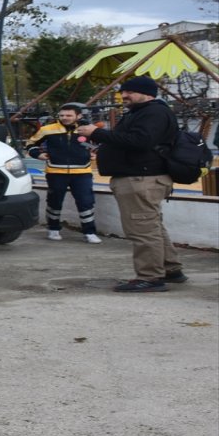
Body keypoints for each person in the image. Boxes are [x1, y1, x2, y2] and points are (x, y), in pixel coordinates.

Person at [76, 76, 186, 292]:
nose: (124, 96)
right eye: (123, 92)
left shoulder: (153, 112)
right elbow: (131, 141)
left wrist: (97, 133)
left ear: (147, 93)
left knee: (143, 229)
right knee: (151, 226)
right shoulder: (142, 112)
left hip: (141, 179)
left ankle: (150, 277)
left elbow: (140, 141)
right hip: (139, 178)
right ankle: (170, 269)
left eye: (130, 92)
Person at [26, 103, 101, 244]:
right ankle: (53, 229)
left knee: (86, 202)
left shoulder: (88, 130)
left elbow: (101, 144)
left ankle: (89, 232)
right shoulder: (47, 130)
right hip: (55, 171)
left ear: (78, 116)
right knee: (54, 201)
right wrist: (38, 154)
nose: (64, 118)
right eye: (61, 115)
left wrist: (94, 153)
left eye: (68, 115)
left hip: (82, 171)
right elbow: (30, 144)